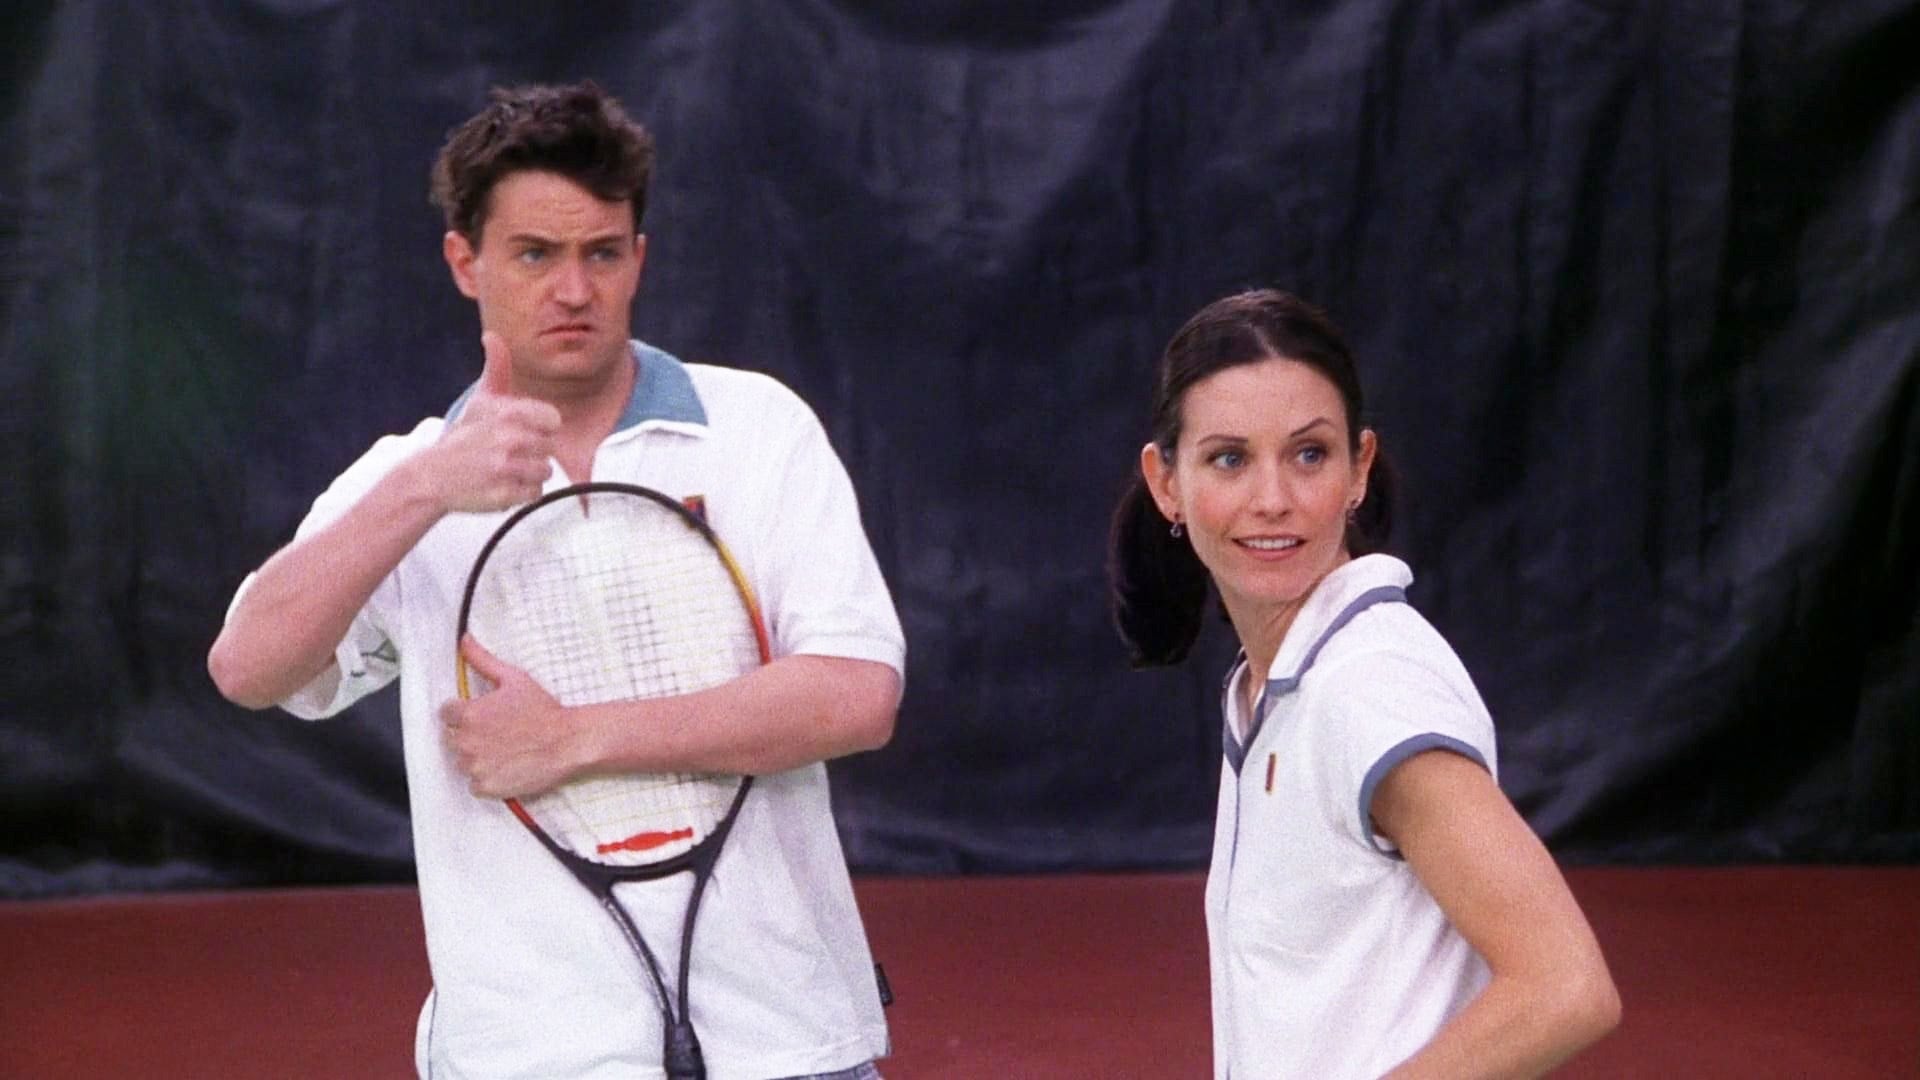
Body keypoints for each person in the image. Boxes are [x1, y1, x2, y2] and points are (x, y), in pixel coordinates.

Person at [208, 81, 903, 1079]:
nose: (573, 290)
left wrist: (574, 738)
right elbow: (248, 668)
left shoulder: (758, 428)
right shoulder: (406, 480)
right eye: (535, 254)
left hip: (789, 1038)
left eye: (601, 253)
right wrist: (426, 488)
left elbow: (856, 695)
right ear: (465, 262)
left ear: (638, 259)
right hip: (527, 1053)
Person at [1108, 289, 1620, 1078]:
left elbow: (1566, 987)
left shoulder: (1370, 687)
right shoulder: (1278, 680)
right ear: (1166, 481)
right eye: (1230, 459)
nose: (1273, 499)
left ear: (1360, 469)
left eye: (1309, 454)